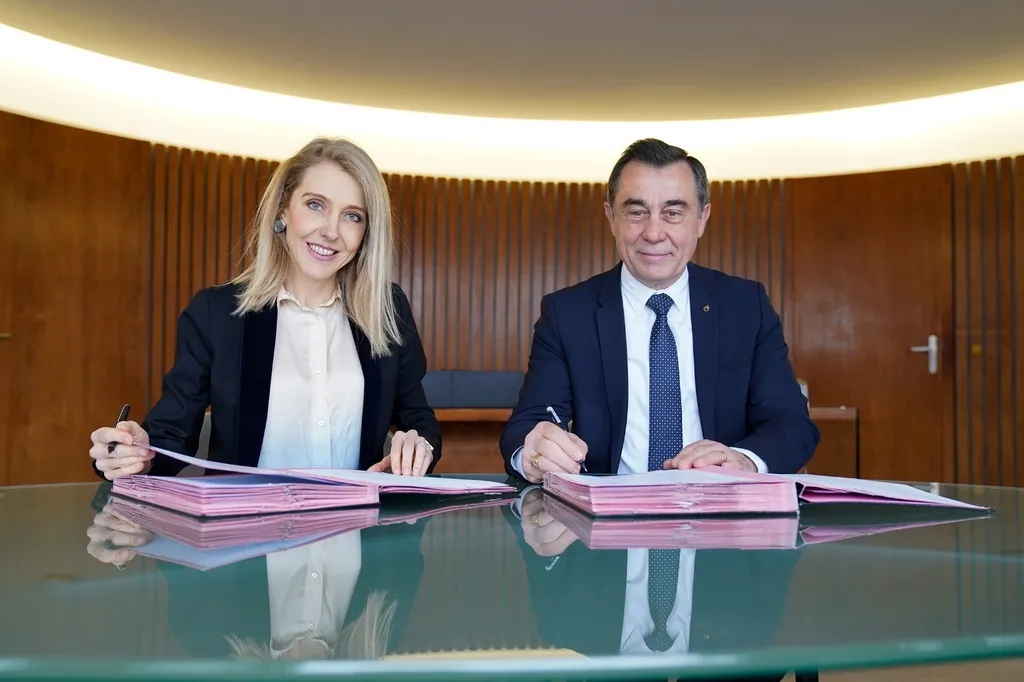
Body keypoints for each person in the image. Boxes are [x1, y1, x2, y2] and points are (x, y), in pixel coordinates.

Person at [89, 137, 441, 479]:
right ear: (283, 210)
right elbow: (169, 437)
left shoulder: (387, 309)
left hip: (354, 530)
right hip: (247, 532)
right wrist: (134, 453)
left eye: (352, 216)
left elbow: (420, 423)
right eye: (315, 205)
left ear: (366, 233)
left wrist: (417, 447)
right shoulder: (216, 313)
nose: (331, 231)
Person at [500, 137, 818, 482]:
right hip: (604, 520)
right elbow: (529, 424)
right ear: (611, 216)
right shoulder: (567, 313)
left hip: (719, 514)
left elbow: (791, 423)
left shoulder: (745, 306)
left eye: (673, 213)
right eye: (636, 212)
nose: (653, 232)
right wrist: (532, 452)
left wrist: (742, 460)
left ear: (702, 218)